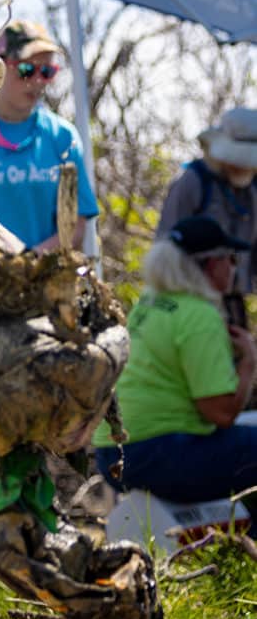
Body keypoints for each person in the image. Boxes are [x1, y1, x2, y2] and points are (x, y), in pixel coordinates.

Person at [94, 216, 257, 517]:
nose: (235, 268)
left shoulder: (150, 302)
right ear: (210, 266)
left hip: (111, 456)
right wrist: (248, 361)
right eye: (230, 259)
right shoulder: (198, 315)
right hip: (157, 453)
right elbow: (220, 413)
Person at [0, 18, 98, 251]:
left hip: (42, 279)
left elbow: (73, 226)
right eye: (26, 70)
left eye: (47, 71)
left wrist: (29, 265)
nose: (38, 81)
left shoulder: (62, 138)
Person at [157, 108, 257, 328]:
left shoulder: (252, 189)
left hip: (232, 300)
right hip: (191, 299)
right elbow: (166, 245)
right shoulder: (192, 181)